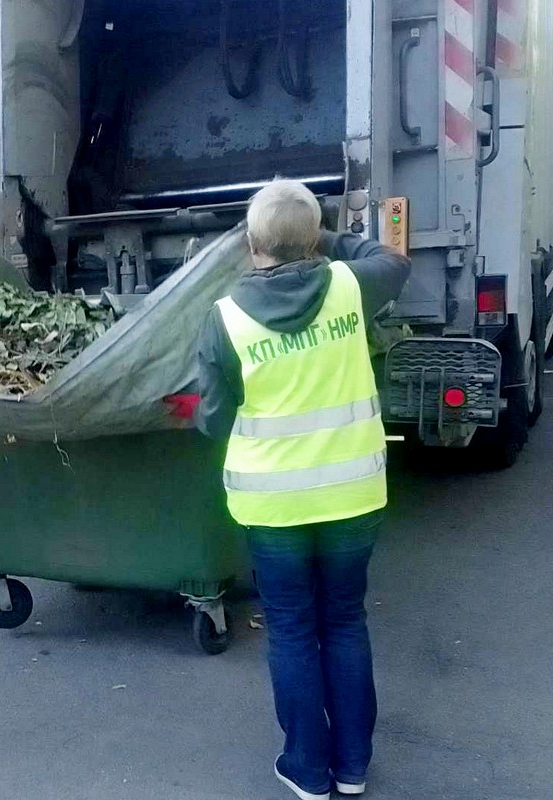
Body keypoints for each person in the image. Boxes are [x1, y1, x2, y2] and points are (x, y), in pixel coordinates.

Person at [191, 181, 411, 799]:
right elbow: (393, 258)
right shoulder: (348, 284)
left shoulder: (224, 319)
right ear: (314, 240)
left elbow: (211, 419)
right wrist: (327, 238)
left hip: (273, 505)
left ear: (251, 242)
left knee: (290, 628)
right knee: (343, 620)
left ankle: (307, 769)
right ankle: (352, 767)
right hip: (351, 496)